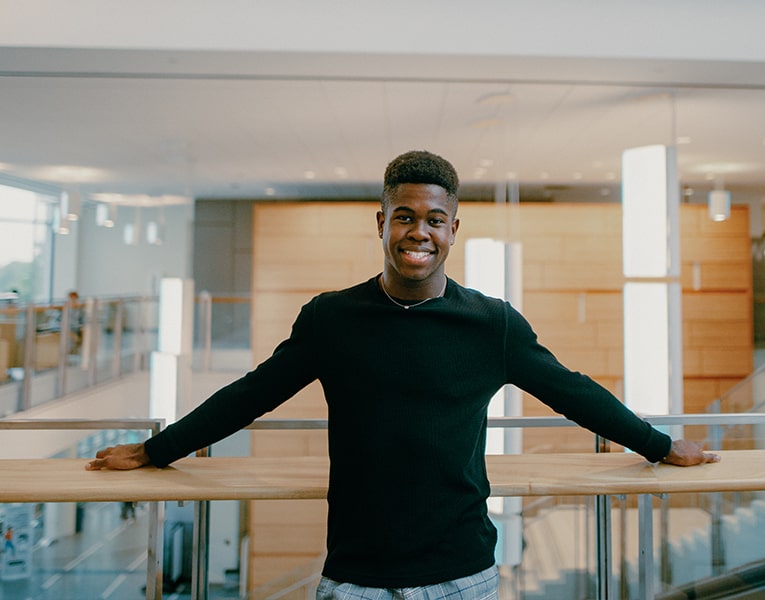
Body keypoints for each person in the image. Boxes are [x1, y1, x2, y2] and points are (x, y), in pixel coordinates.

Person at [86, 150, 719, 600]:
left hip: (462, 574)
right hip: (354, 576)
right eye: (405, 216)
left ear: (453, 230)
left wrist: (661, 447)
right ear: (383, 222)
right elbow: (251, 395)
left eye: (434, 219)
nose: (420, 231)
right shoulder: (331, 319)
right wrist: (154, 449)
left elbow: (574, 393)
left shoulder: (492, 325)